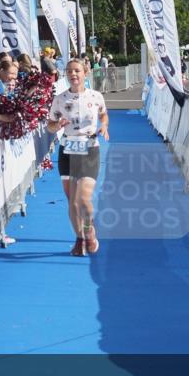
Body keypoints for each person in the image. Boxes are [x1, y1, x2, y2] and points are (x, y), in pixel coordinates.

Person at [45, 59, 110, 257]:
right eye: (70, 71)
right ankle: (80, 238)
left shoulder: (96, 96)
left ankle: (89, 231)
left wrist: (104, 125)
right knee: (72, 202)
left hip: (89, 148)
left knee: (83, 199)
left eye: (77, 71)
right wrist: (58, 126)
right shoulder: (59, 99)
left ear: (85, 73)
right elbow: (50, 125)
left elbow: (103, 114)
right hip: (67, 150)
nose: (73, 74)